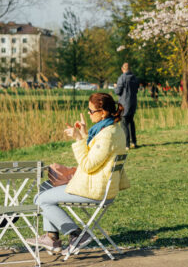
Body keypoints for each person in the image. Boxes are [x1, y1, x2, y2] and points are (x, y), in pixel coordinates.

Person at [36, 92, 130, 256]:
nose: (89, 113)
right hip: (98, 186)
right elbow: (96, 154)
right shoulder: (112, 129)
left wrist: (79, 139)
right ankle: (52, 237)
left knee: (41, 199)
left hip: (94, 190)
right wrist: (85, 133)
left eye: (91, 111)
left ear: (103, 112)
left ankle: (76, 234)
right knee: (45, 188)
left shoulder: (107, 135)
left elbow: (88, 165)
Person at [116, 62, 140, 149]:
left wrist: (115, 87)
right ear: (130, 69)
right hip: (133, 102)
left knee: (124, 123)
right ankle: (134, 142)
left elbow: (118, 91)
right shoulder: (135, 78)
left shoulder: (122, 78)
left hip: (124, 103)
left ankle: (126, 144)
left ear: (122, 69)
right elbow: (136, 90)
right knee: (131, 122)